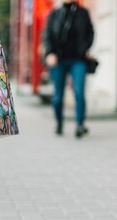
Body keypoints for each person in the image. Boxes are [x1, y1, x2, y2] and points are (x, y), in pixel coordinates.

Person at [43, 0, 94, 139]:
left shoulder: (83, 13)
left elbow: (90, 33)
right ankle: (59, 122)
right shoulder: (54, 14)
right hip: (58, 60)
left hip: (78, 60)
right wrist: (50, 53)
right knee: (58, 96)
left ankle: (80, 125)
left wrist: (84, 49)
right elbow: (47, 36)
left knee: (79, 92)